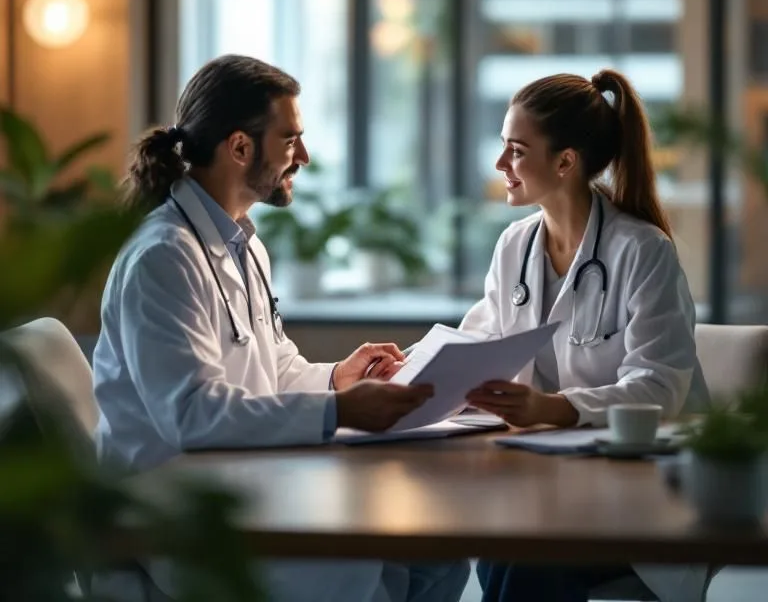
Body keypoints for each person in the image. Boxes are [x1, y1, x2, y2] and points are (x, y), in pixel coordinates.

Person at [90, 54, 469, 602]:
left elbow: (272, 364)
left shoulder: (244, 244)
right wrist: (341, 410)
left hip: (243, 479)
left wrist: (339, 376)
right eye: (291, 140)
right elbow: (191, 415)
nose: (305, 157)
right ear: (240, 147)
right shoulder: (163, 257)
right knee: (370, 568)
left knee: (437, 552)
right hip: (172, 511)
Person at [459, 70, 710, 602]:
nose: (501, 164)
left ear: (565, 161)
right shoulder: (515, 245)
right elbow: (479, 341)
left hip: (641, 493)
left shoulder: (642, 251)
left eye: (516, 150)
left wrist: (550, 407)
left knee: (524, 560)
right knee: (500, 549)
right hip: (544, 487)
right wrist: (404, 370)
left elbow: (659, 387)